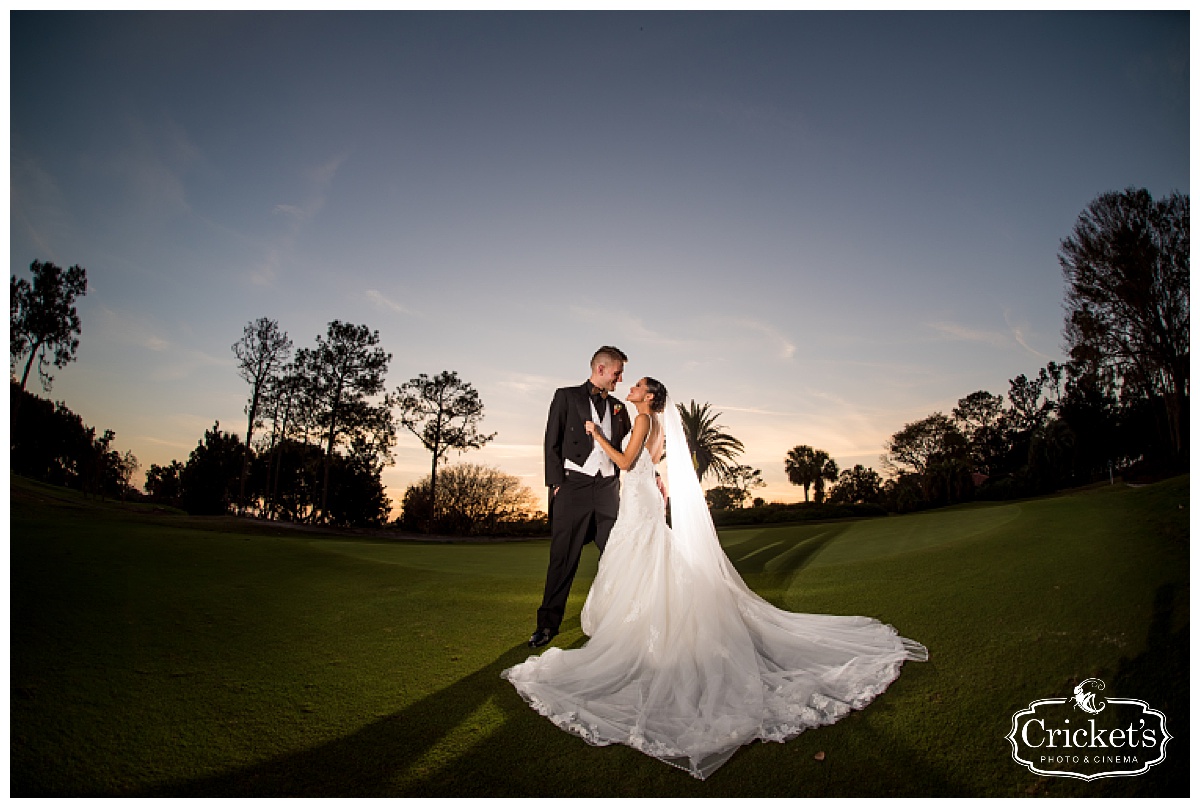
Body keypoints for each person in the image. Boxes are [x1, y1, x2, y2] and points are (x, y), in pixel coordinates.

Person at [503, 377, 929, 780]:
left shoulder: (641, 419)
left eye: (638, 385)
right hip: (640, 500)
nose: (630, 386)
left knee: (639, 561)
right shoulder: (648, 421)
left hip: (636, 501)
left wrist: (597, 437)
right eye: (629, 382)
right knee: (647, 562)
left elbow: (626, 460)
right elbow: (647, 462)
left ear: (649, 397)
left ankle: (643, 634)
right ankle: (646, 625)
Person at [529, 346, 632, 649]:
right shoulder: (566, 396)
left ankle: (620, 622)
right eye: (617, 372)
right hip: (573, 487)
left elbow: (630, 449)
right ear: (601, 369)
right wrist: (556, 483)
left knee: (616, 556)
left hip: (607, 490)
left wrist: (651, 474)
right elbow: (551, 441)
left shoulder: (618, 407)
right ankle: (547, 625)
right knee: (563, 558)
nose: (620, 379)